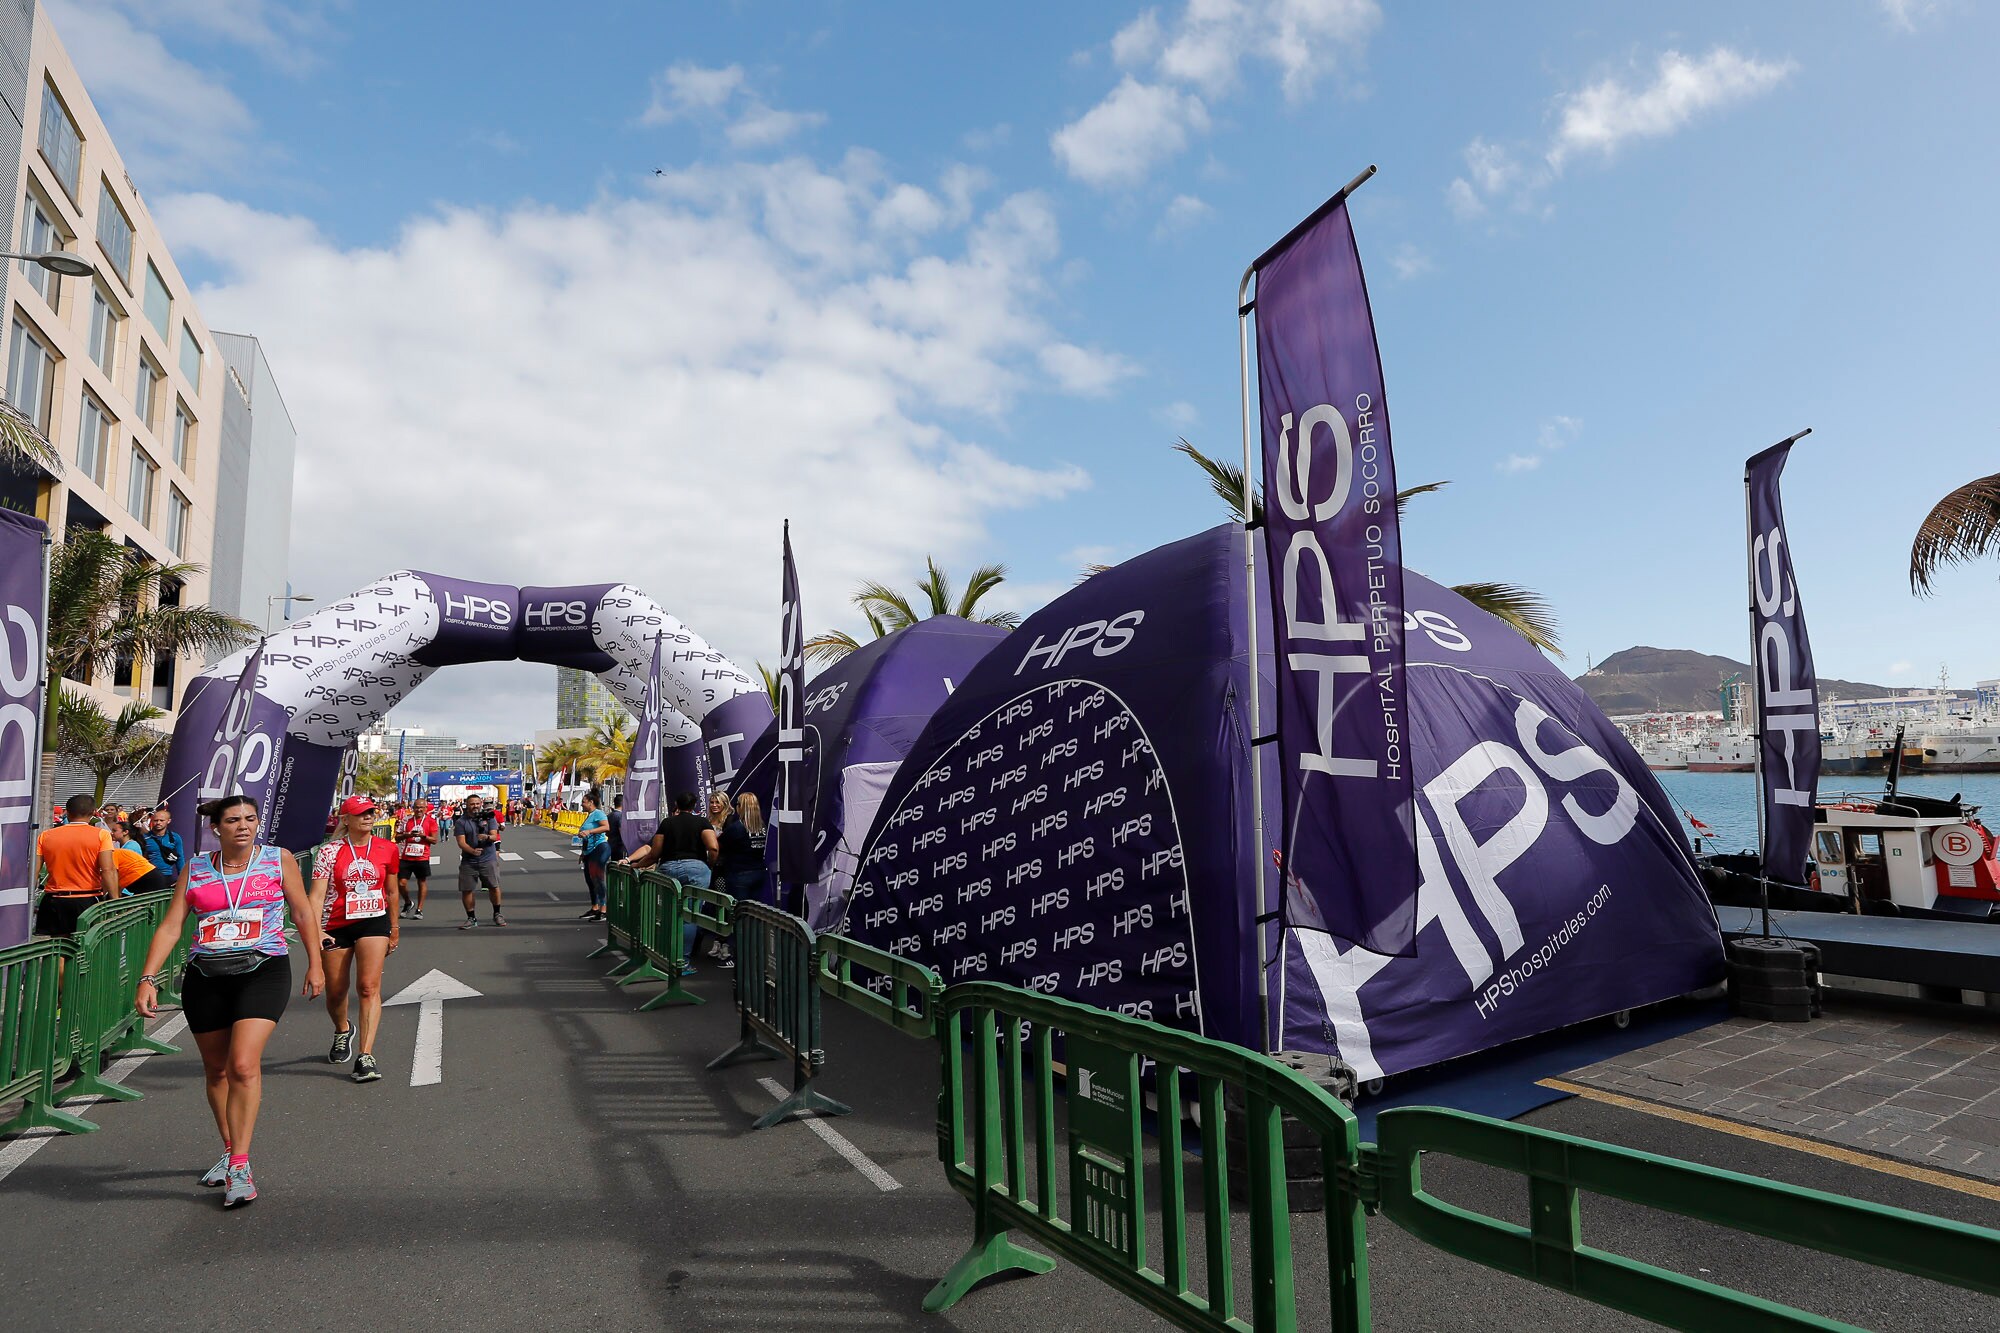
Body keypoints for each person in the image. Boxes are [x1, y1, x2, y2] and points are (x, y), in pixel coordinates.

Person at [134, 795, 324, 1210]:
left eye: (251, 819)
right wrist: (147, 977)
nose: (244, 826)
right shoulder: (196, 868)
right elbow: (171, 926)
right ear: (216, 827)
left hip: (264, 968)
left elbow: (303, 913)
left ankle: (241, 1165)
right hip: (206, 975)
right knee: (216, 1070)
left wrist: (315, 963)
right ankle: (229, 1147)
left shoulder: (278, 859)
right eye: (234, 820)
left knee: (242, 1064)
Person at [309, 795, 400, 1082]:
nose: (368, 817)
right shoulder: (329, 852)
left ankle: (365, 1056)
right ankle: (342, 1029)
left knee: (368, 987)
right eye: (361, 813)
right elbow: (316, 896)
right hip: (335, 924)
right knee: (336, 992)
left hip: (374, 921)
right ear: (345, 819)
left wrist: (394, 927)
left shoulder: (387, 848)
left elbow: (393, 891)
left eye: (371, 812)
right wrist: (316, 931)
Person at [35, 793, 119, 938]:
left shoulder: (46, 835)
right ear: (93, 813)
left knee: (59, 947)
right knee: (85, 947)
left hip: (54, 899)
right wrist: (114, 899)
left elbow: (34, 872)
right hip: (86, 898)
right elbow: (108, 869)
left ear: (67, 811)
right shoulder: (101, 835)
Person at [712, 793, 767, 965]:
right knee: (754, 916)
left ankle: (736, 957)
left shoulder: (737, 828)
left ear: (740, 807)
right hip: (758, 873)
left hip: (738, 875)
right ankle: (755, 955)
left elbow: (718, 846)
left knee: (737, 916)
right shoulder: (763, 828)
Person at [453, 793, 506, 928]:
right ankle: (471, 918)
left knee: (494, 886)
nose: (475, 806)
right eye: (472, 804)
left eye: (477, 803)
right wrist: (472, 851)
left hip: (488, 858)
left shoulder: (489, 818)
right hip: (469, 861)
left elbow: (495, 836)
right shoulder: (461, 822)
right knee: (467, 889)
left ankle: (497, 914)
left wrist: (487, 837)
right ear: (467, 805)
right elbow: (461, 842)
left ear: (481, 803)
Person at [395, 799, 438, 918]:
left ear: (426, 809)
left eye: (422, 808)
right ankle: (408, 902)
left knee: (422, 882)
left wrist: (423, 836)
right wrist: (408, 835)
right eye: (417, 807)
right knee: (401, 883)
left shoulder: (431, 821)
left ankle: (419, 909)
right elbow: (397, 838)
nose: (419, 810)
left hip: (422, 857)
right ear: (413, 808)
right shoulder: (406, 820)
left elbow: (434, 840)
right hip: (406, 856)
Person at [576, 791, 610, 921]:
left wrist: (590, 830)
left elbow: (606, 827)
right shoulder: (589, 815)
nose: (581, 805)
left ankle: (603, 910)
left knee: (598, 879)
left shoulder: (598, 813)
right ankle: (594, 908)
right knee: (590, 881)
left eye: (583, 802)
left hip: (600, 848)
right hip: (589, 852)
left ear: (591, 802)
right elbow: (586, 837)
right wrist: (583, 853)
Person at [138, 805, 185, 880]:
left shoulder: (175, 837)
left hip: (167, 875)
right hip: (149, 875)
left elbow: (180, 858)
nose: (158, 823)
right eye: (155, 820)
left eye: (161, 820)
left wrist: (182, 878)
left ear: (168, 821)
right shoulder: (144, 838)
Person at [606, 793, 626, 862]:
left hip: (611, 844)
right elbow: (622, 832)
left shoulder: (609, 815)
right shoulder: (620, 816)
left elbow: (607, 831)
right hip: (620, 846)